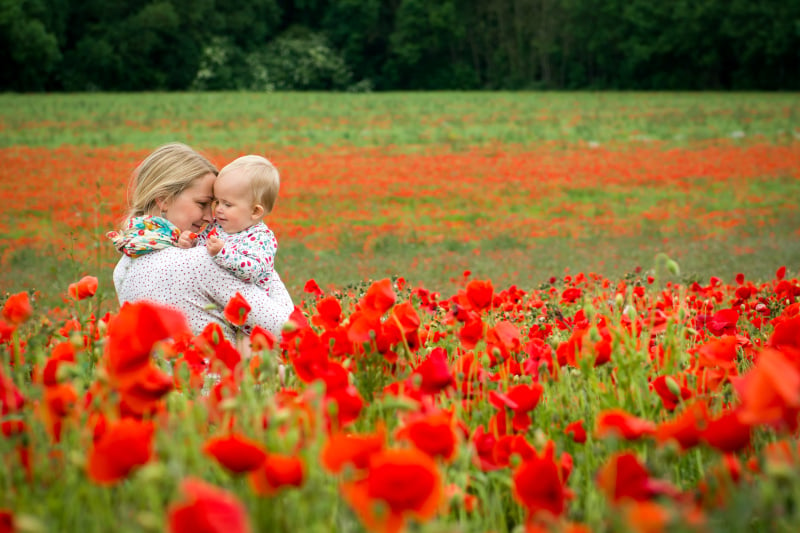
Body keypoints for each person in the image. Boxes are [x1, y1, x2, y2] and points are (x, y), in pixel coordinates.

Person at [108, 142, 294, 340]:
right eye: (203, 204)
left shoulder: (123, 268)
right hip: (222, 370)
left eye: (216, 204)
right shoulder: (202, 261)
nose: (211, 217)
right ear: (163, 200)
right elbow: (286, 328)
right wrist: (264, 266)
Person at [177, 155, 280, 295]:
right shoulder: (217, 226)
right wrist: (191, 242)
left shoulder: (261, 238)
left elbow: (253, 271)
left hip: (247, 304)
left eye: (227, 204)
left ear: (255, 211)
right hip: (214, 295)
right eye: (217, 202)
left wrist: (223, 253)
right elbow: (201, 250)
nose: (218, 209)